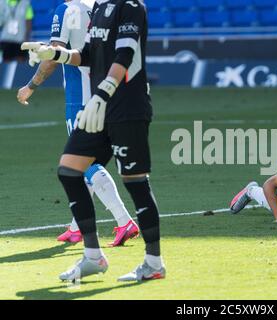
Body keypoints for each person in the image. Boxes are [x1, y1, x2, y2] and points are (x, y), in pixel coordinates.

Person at [21, 0, 165, 282]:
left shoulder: (131, 6)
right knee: (69, 170)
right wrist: (55, 53)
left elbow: (124, 54)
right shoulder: (99, 7)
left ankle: (154, 263)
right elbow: (86, 54)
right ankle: (93, 256)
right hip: (98, 106)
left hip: (126, 106)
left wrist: (103, 92)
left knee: (136, 183)